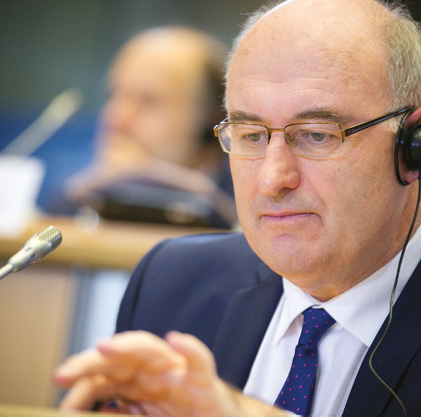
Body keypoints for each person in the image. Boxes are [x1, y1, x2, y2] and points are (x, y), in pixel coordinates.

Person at [53, 0, 421, 416]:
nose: (272, 179)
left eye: (318, 135)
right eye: (250, 135)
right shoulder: (170, 282)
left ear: (412, 145)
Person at [56, 26, 237, 228]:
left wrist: (166, 179)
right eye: (113, 94)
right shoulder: (84, 192)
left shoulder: (244, 200)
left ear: (211, 116)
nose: (118, 117)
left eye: (148, 100)